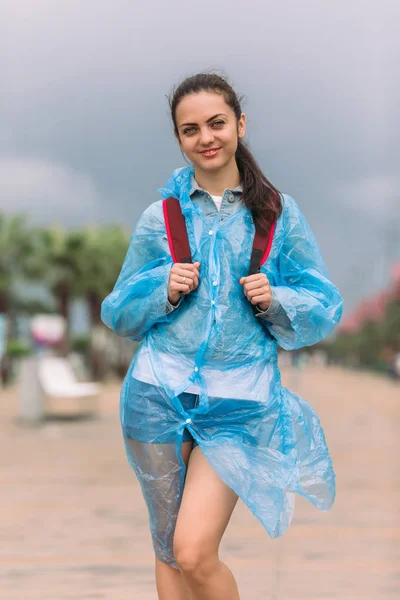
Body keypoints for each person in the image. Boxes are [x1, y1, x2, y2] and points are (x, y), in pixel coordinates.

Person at [101, 72, 343, 600]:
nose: (206, 137)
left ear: (240, 124)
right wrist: (160, 288)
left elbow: (325, 304)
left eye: (216, 123)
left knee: (194, 550)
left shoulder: (278, 214)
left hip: (239, 400)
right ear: (179, 139)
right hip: (155, 395)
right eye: (191, 130)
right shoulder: (159, 218)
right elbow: (118, 312)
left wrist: (276, 298)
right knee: (167, 550)